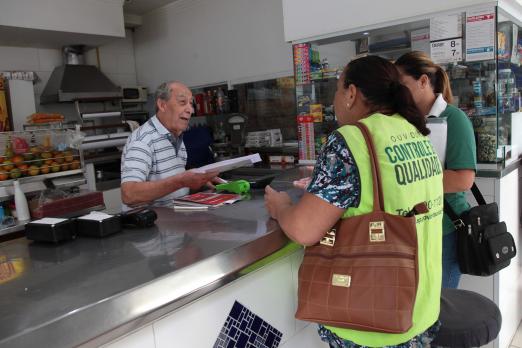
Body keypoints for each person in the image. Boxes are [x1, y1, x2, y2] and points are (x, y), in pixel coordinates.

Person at [265, 55, 444, 348]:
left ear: (351, 93)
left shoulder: (351, 140)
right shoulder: (416, 132)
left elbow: (303, 230)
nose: (334, 100)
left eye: (337, 90)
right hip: (421, 308)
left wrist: (281, 206)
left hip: (374, 321)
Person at [395, 51, 477, 289]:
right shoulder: (402, 121)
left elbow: (463, 179)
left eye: (402, 85)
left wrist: (408, 183)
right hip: (410, 229)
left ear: (423, 81)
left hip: (444, 229)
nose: (397, 93)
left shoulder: (454, 119)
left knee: (441, 305)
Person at [121, 81, 220, 209]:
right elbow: (129, 194)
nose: (190, 109)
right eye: (182, 102)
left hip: (174, 221)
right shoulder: (143, 140)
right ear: (162, 105)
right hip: (150, 225)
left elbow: (173, 184)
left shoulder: (176, 135)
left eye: (191, 103)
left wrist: (198, 180)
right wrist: (181, 181)